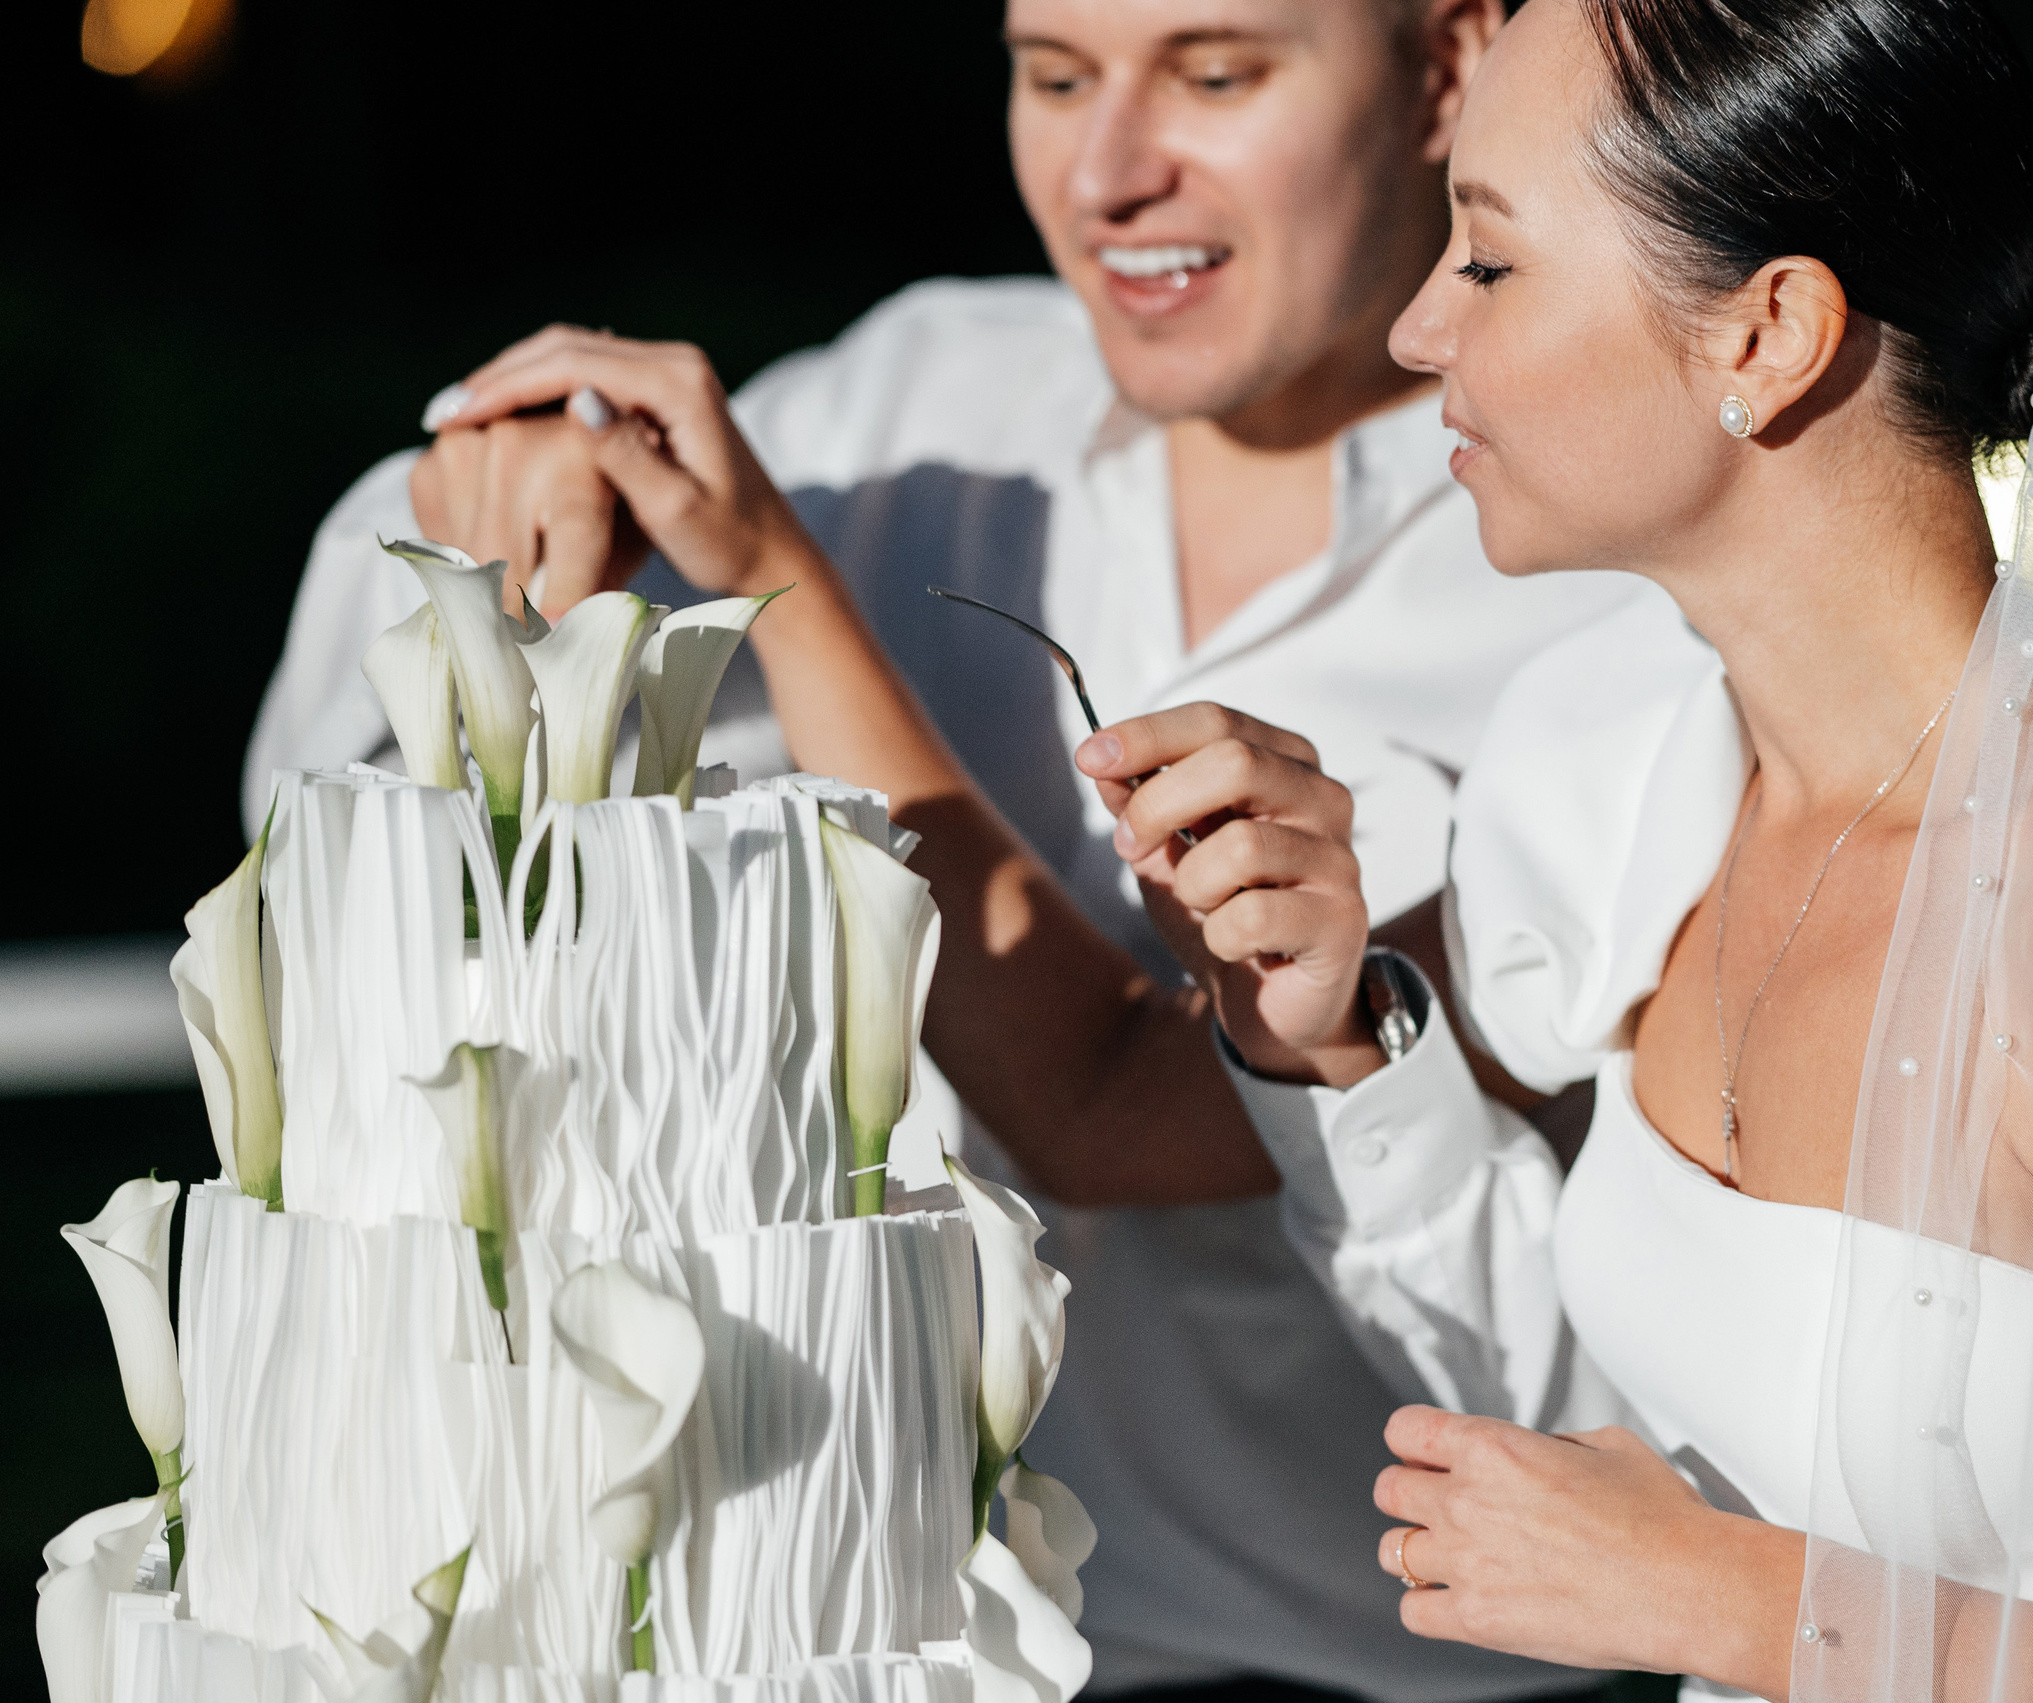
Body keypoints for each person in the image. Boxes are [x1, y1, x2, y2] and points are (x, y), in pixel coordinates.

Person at [1074, 0, 2033, 1698]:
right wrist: (1326, 1037)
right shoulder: (1640, 776)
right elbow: (1618, 1448)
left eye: (1491, 264)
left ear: (1768, 334)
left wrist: (1729, 1607)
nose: (1415, 332)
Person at [239, 1, 1652, 1697]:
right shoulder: (918, 390)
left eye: (1218, 74)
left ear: (1444, 69)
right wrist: (512, 480)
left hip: (1411, 1665)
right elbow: (358, 790)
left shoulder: (1607, 539)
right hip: (884, 1645)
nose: (1112, 169)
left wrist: (783, 584)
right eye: (1054, 76)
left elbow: (1119, 1115)